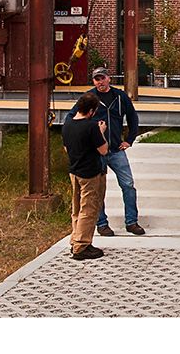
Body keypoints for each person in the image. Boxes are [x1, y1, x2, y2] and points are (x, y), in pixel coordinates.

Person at [69, 66, 146, 238]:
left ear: (108, 78)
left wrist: (129, 139)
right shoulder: (89, 98)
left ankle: (131, 221)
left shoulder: (120, 97)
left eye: (102, 78)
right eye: (96, 79)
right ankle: (101, 223)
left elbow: (133, 117)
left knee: (128, 185)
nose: (100, 82)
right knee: (97, 189)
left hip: (117, 150)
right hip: (97, 151)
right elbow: (72, 117)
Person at [59, 93, 108, 261]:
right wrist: (101, 132)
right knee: (89, 208)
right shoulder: (91, 126)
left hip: (74, 170)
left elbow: (66, 148)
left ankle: (76, 240)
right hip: (90, 173)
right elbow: (103, 150)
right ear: (92, 111)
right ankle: (81, 246)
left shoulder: (68, 124)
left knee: (77, 208)